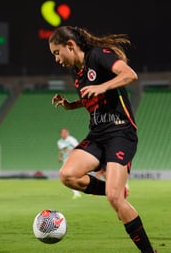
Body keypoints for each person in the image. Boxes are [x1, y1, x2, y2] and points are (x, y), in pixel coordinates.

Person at [49, 26, 156, 253]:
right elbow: (90, 96)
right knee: (67, 175)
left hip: (120, 132)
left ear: (70, 45)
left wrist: (103, 85)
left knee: (115, 200)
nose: (56, 59)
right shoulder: (75, 72)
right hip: (97, 134)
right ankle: (113, 189)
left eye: (57, 53)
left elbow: (130, 75)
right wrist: (71, 105)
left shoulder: (98, 55)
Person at [57, 127, 82, 199]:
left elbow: (78, 147)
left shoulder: (72, 140)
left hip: (74, 159)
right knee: (66, 176)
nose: (64, 134)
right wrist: (60, 157)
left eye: (65, 132)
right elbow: (62, 150)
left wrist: (71, 151)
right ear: (60, 134)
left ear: (67, 133)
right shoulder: (60, 142)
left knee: (71, 175)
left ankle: (79, 190)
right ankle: (76, 192)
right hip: (66, 160)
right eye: (62, 133)